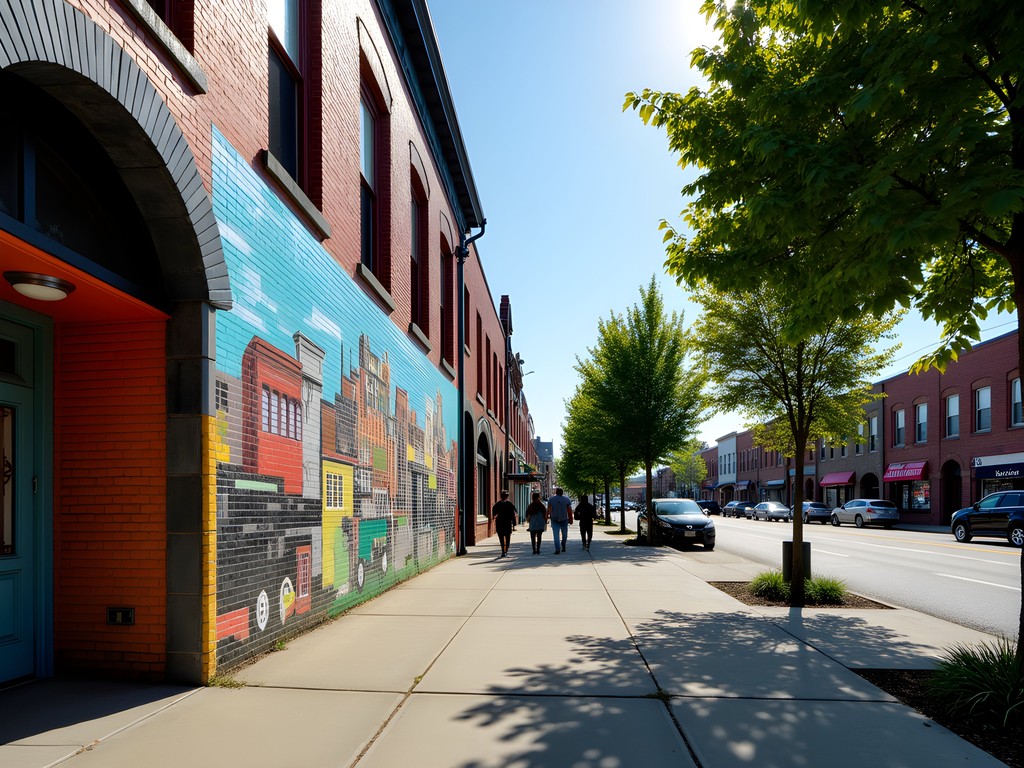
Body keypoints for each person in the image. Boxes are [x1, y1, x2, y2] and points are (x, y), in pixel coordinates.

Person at [492, 490, 518, 557]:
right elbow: (513, 514)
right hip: (507, 523)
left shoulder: (497, 504)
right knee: (507, 537)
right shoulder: (510, 504)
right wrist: (514, 523)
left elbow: (494, 513)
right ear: (507, 497)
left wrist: (494, 517)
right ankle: (505, 550)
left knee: (501, 538)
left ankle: (503, 551)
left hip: (500, 523)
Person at [547, 487, 573, 554]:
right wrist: (571, 519)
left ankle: (557, 549)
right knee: (564, 534)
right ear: (562, 492)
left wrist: (546, 517)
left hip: (554, 519)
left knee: (556, 535)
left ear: (556, 492)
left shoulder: (551, 499)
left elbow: (549, 510)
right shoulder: (567, 500)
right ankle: (563, 544)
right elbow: (569, 511)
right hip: (564, 519)